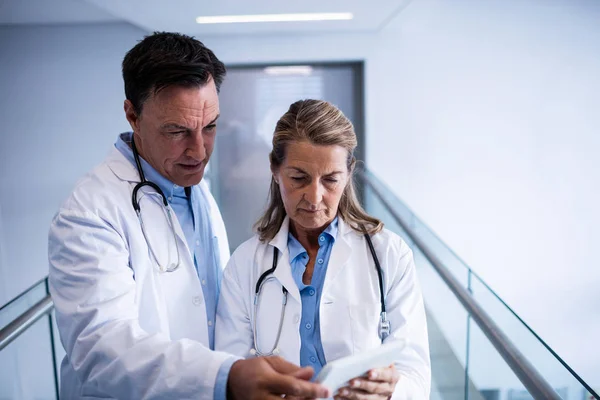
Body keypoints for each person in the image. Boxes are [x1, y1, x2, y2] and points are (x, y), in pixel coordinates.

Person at [48, 32, 329, 400]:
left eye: (210, 127)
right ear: (133, 115)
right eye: (177, 131)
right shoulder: (89, 213)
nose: (198, 151)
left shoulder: (194, 188)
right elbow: (101, 348)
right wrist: (224, 376)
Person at [215, 99, 431, 399]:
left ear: (349, 173)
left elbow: (416, 377)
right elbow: (232, 371)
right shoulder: (244, 264)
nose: (314, 198)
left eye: (330, 180)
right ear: (275, 169)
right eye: (299, 178)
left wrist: (392, 391)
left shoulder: (389, 255)